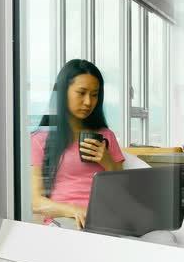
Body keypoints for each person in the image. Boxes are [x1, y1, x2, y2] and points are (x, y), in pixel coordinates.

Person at [31, 59, 125, 229]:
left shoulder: (106, 136)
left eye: (95, 94)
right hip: (67, 219)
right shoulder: (40, 139)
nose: (89, 102)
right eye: (81, 93)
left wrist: (108, 162)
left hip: (105, 218)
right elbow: (35, 201)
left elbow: (122, 190)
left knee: (164, 237)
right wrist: (75, 211)